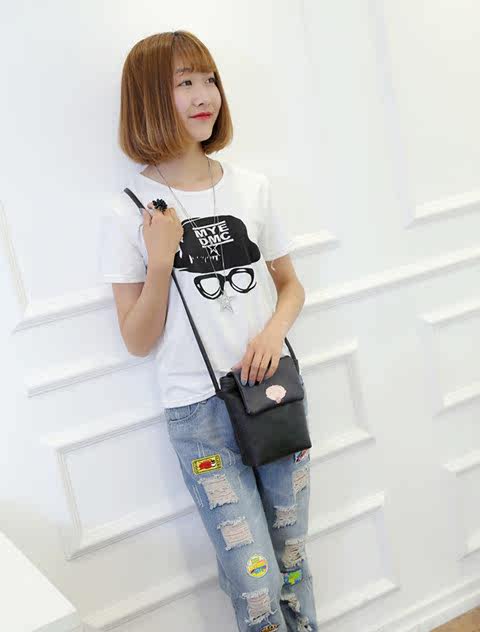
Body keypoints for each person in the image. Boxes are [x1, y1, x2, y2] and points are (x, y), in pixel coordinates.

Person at [98, 30, 318, 632]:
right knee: (255, 582)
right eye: (183, 83)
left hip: (272, 391)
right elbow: (137, 341)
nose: (204, 95)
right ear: (149, 97)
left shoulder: (251, 187)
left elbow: (291, 285)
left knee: (292, 561)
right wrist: (160, 260)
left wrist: (271, 333)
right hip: (198, 415)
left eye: (209, 79)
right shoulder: (128, 208)